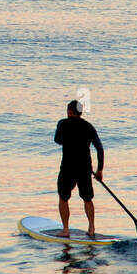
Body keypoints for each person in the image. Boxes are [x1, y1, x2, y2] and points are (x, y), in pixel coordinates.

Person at [54, 100, 104, 238]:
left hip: (68, 167)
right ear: (80, 112)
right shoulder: (88, 127)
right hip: (85, 168)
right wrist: (100, 170)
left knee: (63, 197)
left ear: (70, 111)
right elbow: (100, 149)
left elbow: (57, 140)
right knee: (87, 198)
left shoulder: (62, 123)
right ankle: (92, 228)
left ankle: (65, 230)